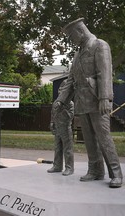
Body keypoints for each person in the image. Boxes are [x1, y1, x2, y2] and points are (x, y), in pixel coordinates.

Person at [56, 18, 123, 188]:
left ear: (80, 31)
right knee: (89, 139)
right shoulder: (78, 54)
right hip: (82, 102)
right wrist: (61, 100)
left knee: (104, 138)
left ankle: (116, 173)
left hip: (97, 100)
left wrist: (104, 98)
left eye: (72, 37)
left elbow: (105, 74)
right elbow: (71, 80)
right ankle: (95, 170)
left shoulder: (100, 45)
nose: (72, 41)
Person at [47, 79, 74, 176]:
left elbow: (70, 116)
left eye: (62, 91)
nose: (60, 92)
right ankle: (57, 166)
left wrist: (62, 108)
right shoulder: (55, 102)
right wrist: (51, 123)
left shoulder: (70, 103)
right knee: (57, 148)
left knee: (67, 149)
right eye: (59, 90)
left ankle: (69, 168)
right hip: (57, 128)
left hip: (66, 128)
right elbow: (53, 114)